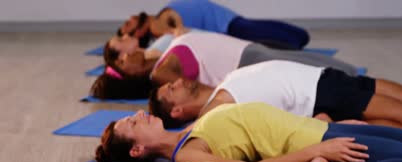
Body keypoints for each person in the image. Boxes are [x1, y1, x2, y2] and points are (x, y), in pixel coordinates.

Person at [95, 102, 402, 162]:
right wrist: (317, 152)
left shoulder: (190, 128)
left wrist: (323, 121)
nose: (139, 113)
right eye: (132, 123)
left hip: (318, 127)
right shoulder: (185, 155)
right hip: (315, 143)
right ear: (136, 150)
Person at [150, 60, 402, 135]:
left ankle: (352, 122)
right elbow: (188, 138)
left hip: (328, 77)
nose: (176, 82)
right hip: (320, 95)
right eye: (171, 90)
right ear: (176, 111)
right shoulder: (215, 111)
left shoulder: (220, 86)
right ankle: (348, 125)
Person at [91, 31, 361, 99]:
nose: (125, 57)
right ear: (129, 75)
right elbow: (198, 91)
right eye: (122, 63)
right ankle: (358, 87)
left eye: (122, 56)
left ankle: (357, 83)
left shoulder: (156, 56)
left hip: (245, 49)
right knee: (326, 72)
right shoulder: (161, 73)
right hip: (246, 62)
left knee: (322, 65)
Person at [118, 1, 310, 50]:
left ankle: (299, 38)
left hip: (222, 19)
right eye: (128, 24)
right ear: (139, 32)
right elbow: (174, 26)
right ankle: (297, 41)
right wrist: (177, 28)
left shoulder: (156, 20)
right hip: (222, 25)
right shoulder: (156, 28)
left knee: (260, 28)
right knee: (283, 37)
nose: (131, 17)